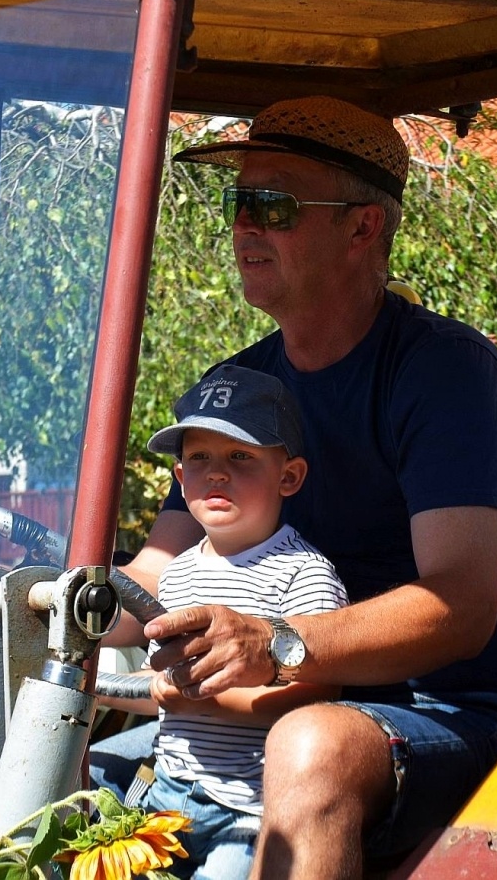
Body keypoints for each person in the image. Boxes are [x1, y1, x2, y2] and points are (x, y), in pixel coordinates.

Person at [0, 95, 497, 880]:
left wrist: (277, 643)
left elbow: (460, 605)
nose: (244, 226)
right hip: (275, 707)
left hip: (453, 713)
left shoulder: (442, 374)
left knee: (311, 743)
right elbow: (154, 584)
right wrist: (9, 591)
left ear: (364, 226)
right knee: (32, 785)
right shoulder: (240, 391)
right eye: (239, 202)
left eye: (274, 203)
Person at [102, 365, 348, 880]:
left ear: (289, 476)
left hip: (249, 807)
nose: (217, 472)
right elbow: (159, 688)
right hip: (166, 787)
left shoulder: (304, 574)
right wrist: (96, 688)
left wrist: (197, 694)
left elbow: (315, 700)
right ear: (180, 478)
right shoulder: (178, 574)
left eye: (240, 456)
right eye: (199, 458)